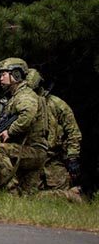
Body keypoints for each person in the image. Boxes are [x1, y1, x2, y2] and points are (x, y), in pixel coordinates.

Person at [0, 58, 49, 195]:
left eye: (4, 74)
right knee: (30, 196)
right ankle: (72, 195)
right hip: (27, 149)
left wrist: (10, 131)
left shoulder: (25, 95)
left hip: (34, 150)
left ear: (16, 74)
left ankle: (11, 193)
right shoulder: (15, 96)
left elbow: (27, 115)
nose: (0, 78)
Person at [26, 69, 83, 199]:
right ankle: (72, 194)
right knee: (28, 196)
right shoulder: (20, 105)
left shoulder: (56, 104)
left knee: (53, 195)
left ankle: (73, 195)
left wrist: (73, 157)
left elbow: (73, 132)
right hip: (31, 158)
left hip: (54, 159)